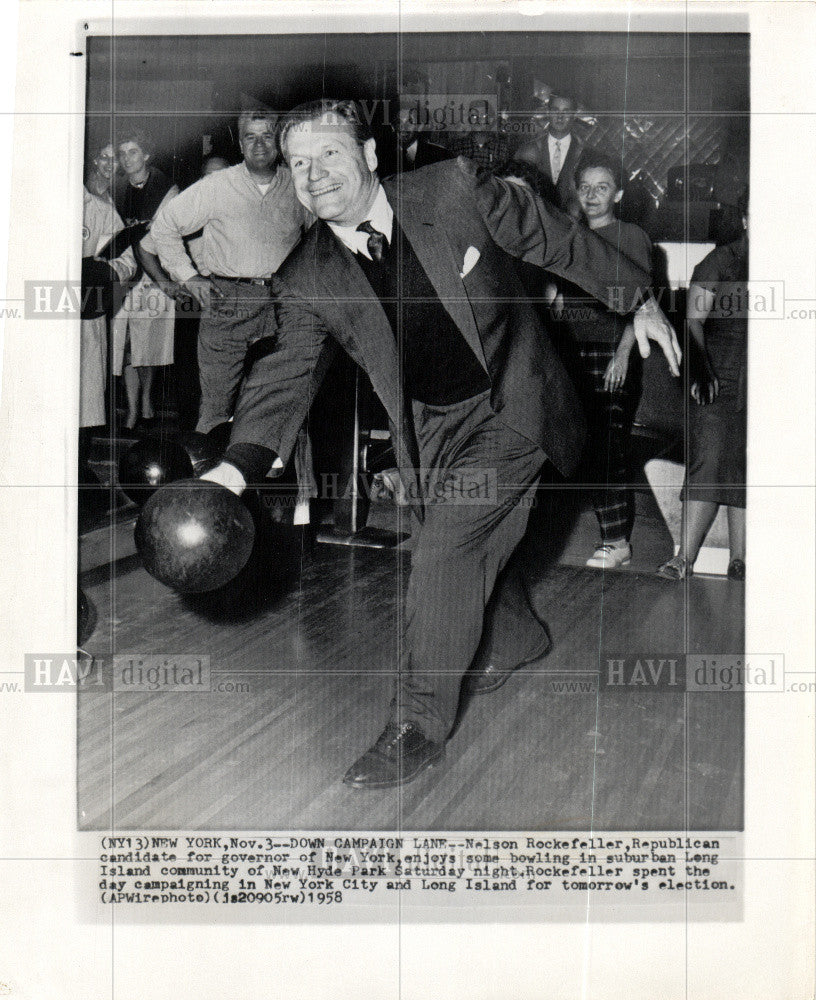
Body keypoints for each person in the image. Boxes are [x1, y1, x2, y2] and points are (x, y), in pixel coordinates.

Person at [203, 99, 681, 790]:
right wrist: (233, 470)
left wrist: (637, 297)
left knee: (445, 547)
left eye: (329, 154)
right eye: (299, 164)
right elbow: (284, 374)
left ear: (368, 156)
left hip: (514, 404)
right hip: (430, 428)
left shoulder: (451, 188)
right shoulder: (307, 273)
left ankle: (416, 726)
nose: (314, 175)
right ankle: (514, 637)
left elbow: (556, 239)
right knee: (465, 550)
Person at [150, 110, 313, 435]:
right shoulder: (217, 186)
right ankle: (210, 478)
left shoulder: (298, 184)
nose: (259, 144)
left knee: (278, 405)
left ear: (279, 143)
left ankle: (270, 481)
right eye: (250, 137)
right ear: (240, 144)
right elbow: (164, 226)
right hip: (228, 301)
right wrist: (188, 276)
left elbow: (319, 238)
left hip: (283, 304)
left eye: (267, 135)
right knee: (215, 407)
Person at [562, 149, 653, 568]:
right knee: (582, 447)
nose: (593, 195)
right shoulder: (567, 234)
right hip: (572, 353)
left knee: (608, 447)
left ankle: (616, 542)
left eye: (602, 187)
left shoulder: (631, 236)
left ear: (617, 194)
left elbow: (643, 303)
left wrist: (622, 353)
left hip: (613, 352)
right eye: (585, 187)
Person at [657, 190, 749, 581]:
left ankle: (741, 560)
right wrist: (701, 372)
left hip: (773, 380)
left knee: (751, 466)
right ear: (745, 219)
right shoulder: (721, 262)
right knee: (707, 459)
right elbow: (692, 323)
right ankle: (685, 559)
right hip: (718, 374)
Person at [111, 129, 179, 431]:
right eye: (122, 153)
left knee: (146, 344)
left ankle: (148, 399)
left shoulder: (167, 189)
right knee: (124, 341)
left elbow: (162, 234)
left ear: (146, 155)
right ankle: (132, 408)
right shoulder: (117, 190)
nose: (127, 159)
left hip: (153, 272)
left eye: (133, 152)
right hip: (125, 271)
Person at [515, 94, 583, 215]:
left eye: (566, 112)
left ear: (574, 114)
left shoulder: (583, 154)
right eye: (555, 110)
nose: (560, 117)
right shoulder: (528, 151)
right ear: (548, 112)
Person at [449, 98, 510, 169]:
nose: (478, 120)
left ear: (491, 120)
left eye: (483, 116)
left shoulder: (501, 148)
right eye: (474, 116)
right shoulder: (457, 147)